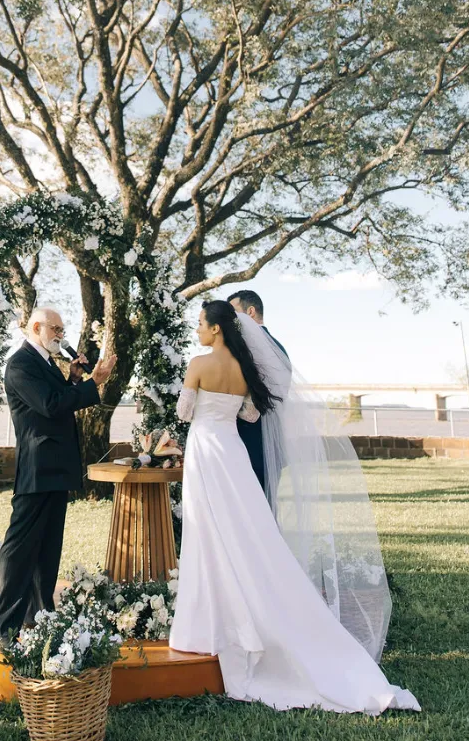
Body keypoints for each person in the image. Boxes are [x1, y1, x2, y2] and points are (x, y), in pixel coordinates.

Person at [168, 299, 419, 715]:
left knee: (206, 530)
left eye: (200, 325)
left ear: (214, 330)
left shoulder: (198, 363)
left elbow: (184, 412)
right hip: (232, 452)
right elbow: (250, 415)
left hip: (205, 450)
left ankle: (203, 626)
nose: (197, 331)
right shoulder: (246, 368)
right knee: (246, 530)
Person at [0, 307, 115, 644]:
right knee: (19, 549)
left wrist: (73, 379)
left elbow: (56, 399)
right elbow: (50, 406)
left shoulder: (45, 362)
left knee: (47, 548)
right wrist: (92, 384)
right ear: (36, 327)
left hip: (56, 467)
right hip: (37, 468)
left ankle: (39, 616)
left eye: (62, 328)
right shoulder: (20, 364)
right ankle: (2, 630)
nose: (60, 334)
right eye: (55, 328)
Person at [227, 290, 289, 491]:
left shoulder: (250, 347)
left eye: (234, 312)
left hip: (251, 441)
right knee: (266, 511)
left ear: (250, 311)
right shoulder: (279, 348)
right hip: (272, 443)